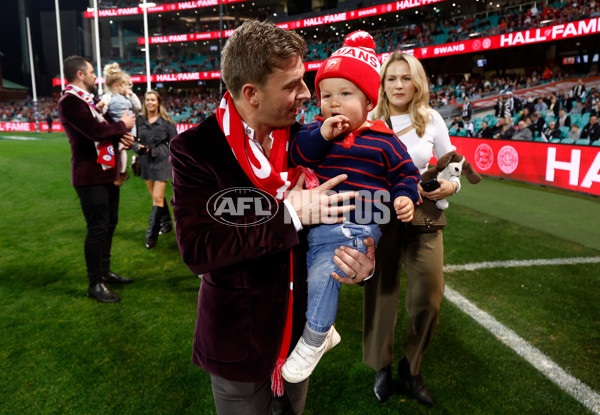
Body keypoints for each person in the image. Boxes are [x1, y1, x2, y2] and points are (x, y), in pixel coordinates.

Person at [168, 20, 376, 415]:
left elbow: (347, 217)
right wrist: (290, 215)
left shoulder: (309, 141)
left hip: (300, 341)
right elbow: (198, 250)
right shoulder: (195, 149)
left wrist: (362, 263)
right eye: (292, 85)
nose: (305, 94)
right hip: (239, 345)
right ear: (252, 94)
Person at [283, 31, 420, 384]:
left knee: (326, 272)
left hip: (357, 224)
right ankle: (322, 329)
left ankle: (314, 338)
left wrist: (405, 197)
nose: (334, 103)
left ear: (369, 102)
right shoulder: (315, 132)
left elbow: (405, 173)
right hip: (317, 225)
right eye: (326, 95)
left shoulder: (385, 140)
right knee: (313, 276)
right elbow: (297, 154)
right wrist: (323, 135)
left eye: (346, 94)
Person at [363, 52, 462, 406]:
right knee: (381, 296)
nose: (399, 85)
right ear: (383, 84)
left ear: (416, 82)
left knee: (431, 294)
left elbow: (451, 168)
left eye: (406, 78)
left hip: (424, 219)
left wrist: (450, 187)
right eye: (392, 78)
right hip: (380, 219)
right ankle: (381, 367)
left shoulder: (432, 119)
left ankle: (412, 365)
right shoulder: (369, 118)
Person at [57, 55, 135, 303]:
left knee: (110, 224)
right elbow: (94, 132)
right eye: (91, 72)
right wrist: (122, 126)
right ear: (80, 74)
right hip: (89, 175)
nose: (95, 76)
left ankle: (104, 272)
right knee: (98, 228)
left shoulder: (90, 101)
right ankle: (95, 284)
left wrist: (123, 137)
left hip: (105, 171)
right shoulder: (70, 101)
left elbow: (105, 130)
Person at [132, 90, 178, 249]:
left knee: (157, 198)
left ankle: (151, 235)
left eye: (153, 100)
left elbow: (175, 145)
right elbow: (134, 141)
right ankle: (166, 224)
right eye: (147, 100)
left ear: (158, 102)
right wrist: (137, 147)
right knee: (156, 197)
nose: (150, 102)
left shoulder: (167, 122)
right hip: (145, 162)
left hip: (162, 161)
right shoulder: (139, 120)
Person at [96, 62, 142, 186]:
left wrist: (131, 94)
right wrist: (101, 106)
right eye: (126, 85)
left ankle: (125, 170)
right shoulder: (108, 96)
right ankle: (123, 171)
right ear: (117, 85)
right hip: (118, 128)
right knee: (120, 148)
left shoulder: (128, 96)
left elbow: (138, 107)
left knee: (124, 147)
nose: (128, 87)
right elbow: (103, 109)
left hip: (130, 127)